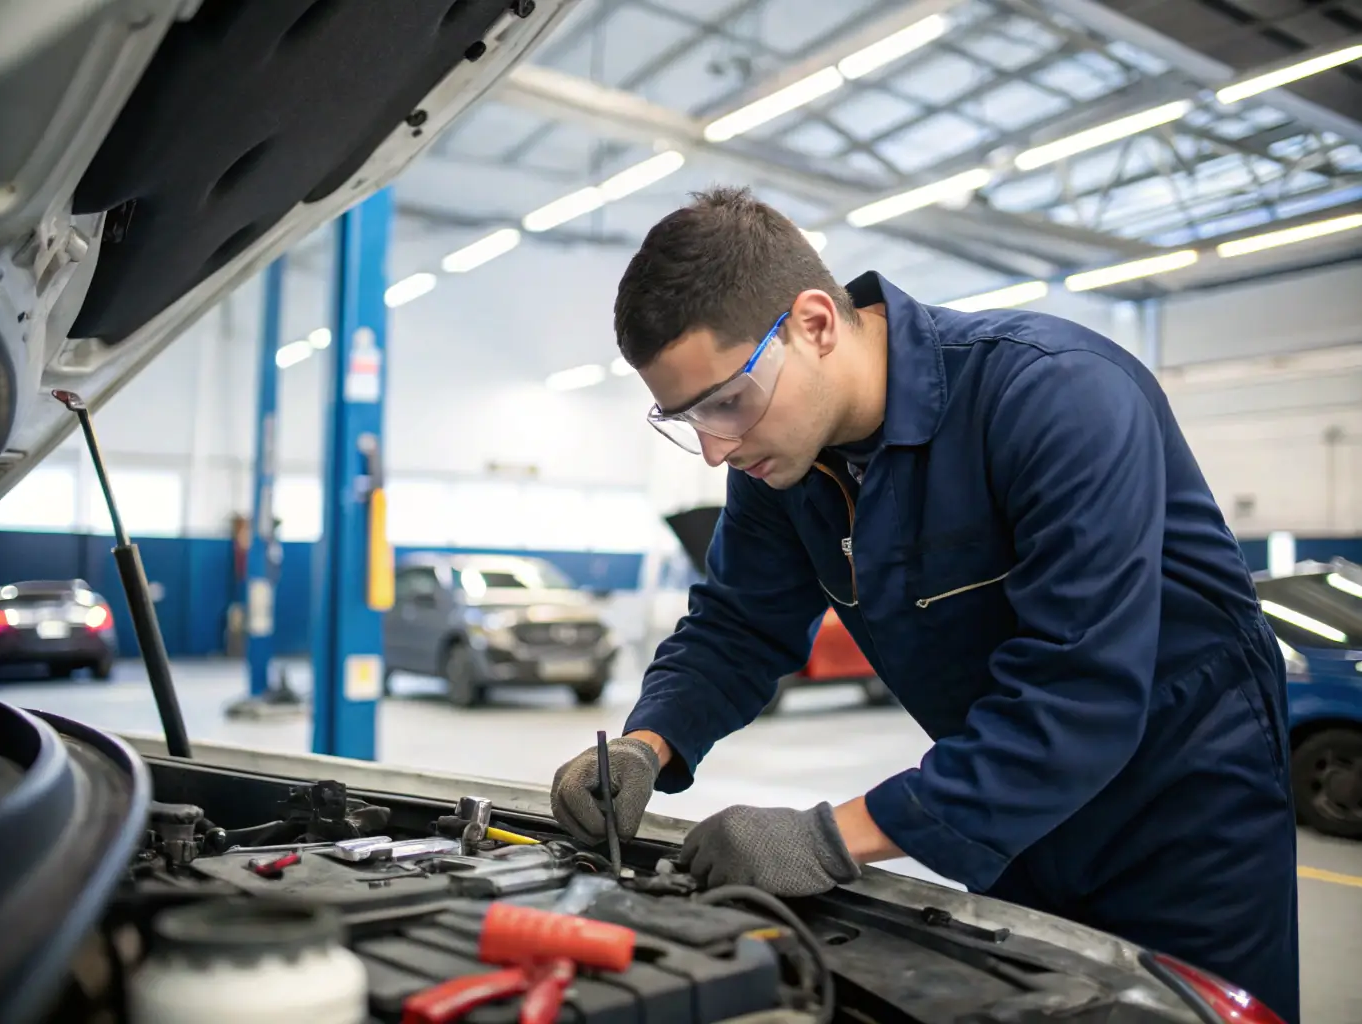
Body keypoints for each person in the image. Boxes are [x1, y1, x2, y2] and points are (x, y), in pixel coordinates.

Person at [549, 187, 1300, 1022]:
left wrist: (829, 836)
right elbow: (737, 622)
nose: (715, 446)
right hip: (1006, 805)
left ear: (815, 323)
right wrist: (649, 744)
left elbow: (1081, 691)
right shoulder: (781, 457)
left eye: (725, 401)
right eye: (685, 418)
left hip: (1184, 815)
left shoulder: (1055, 394)